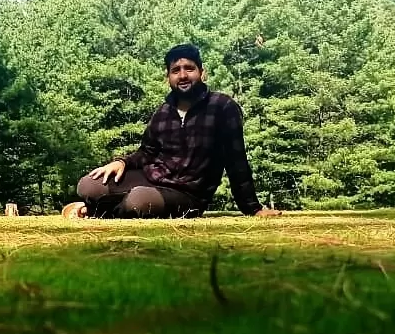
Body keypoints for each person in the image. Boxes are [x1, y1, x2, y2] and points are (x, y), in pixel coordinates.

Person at [63, 44, 282, 220]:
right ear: (168, 77)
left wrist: (253, 208)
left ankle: (92, 211)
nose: (183, 75)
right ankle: (95, 205)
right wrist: (122, 162)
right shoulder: (163, 112)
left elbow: (236, 161)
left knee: (138, 202)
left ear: (202, 73)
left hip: (189, 194)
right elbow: (146, 153)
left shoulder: (222, 107)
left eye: (189, 68)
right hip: (152, 179)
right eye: (176, 70)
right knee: (89, 184)